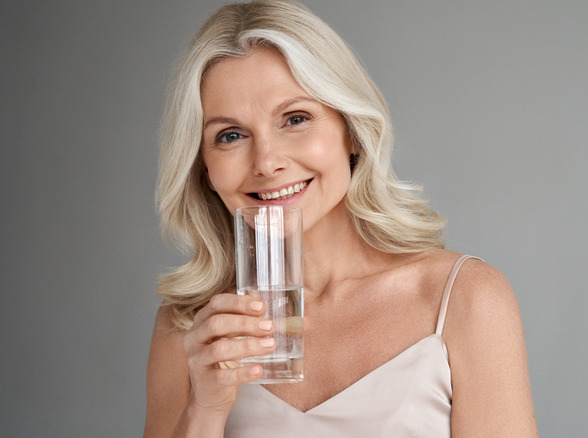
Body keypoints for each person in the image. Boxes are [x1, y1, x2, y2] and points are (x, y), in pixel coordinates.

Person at [144, 0, 537, 436]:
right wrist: (206, 408)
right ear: (204, 167)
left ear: (350, 131)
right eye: (230, 135)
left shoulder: (466, 299)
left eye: (295, 119)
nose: (267, 161)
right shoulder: (190, 327)